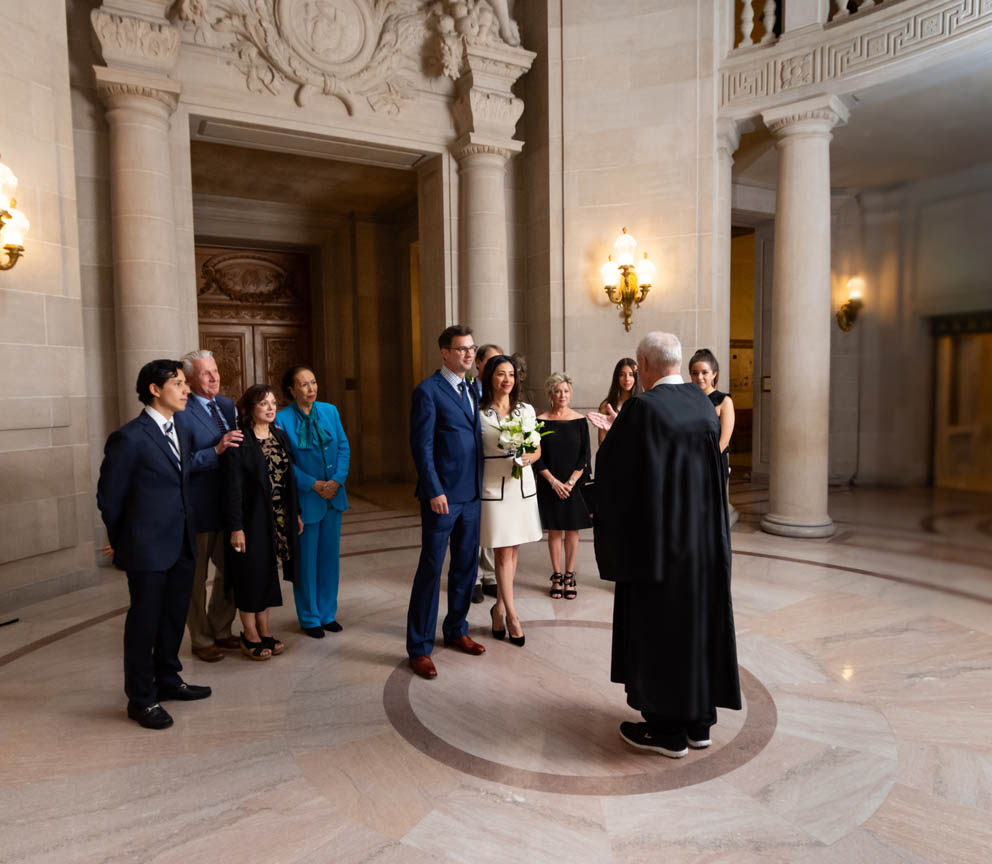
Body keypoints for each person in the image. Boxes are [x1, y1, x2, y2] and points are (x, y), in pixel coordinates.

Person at [589, 332, 741, 758]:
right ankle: (698, 723)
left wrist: (611, 440)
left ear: (644, 365)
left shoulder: (642, 406)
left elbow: (619, 472)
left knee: (662, 632)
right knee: (696, 628)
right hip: (704, 545)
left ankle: (667, 731)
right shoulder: (702, 403)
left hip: (660, 546)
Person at [96, 359, 212, 730]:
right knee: (144, 624)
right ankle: (141, 699)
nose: (186, 389)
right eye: (178, 384)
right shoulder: (129, 437)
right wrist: (124, 543)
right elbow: (109, 499)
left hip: (181, 542)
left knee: (174, 617)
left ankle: (168, 679)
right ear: (154, 389)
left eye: (184, 383)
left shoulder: (182, 427)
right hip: (146, 548)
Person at [407, 325, 487, 679]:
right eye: (461, 350)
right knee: (431, 570)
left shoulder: (475, 388)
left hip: (472, 495)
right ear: (445, 352)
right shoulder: (428, 391)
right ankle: (419, 647)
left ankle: (456, 629)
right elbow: (422, 447)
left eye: (471, 349)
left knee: (466, 567)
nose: (468, 355)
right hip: (442, 497)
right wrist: (434, 489)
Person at [174, 349, 244, 662]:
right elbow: (179, 463)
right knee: (195, 580)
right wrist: (215, 450)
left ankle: (221, 629)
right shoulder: (181, 411)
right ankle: (201, 639)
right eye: (206, 373)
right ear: (189, 379)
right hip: (198, 509)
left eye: (215, 371)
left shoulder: (228, 405)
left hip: (229, 506)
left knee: (232, 572)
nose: (214, 377)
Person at [223, 384, 303, 660]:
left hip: (278, 520)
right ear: (250, 408)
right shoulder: (239, 441)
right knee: (250, 577)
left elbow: (288, 480)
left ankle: (265, 630)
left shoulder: (280, 437)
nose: (271, 408)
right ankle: (249, 635)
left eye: (273, 403)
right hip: (250, 520)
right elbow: (232, 489)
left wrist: (297, 514)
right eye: (263, 403)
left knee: (268, 573)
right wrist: (236, 527)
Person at [276, 366, 350, 639]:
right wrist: (314, 484)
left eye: (314, 382)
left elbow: (343, 446)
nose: (311, 389)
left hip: (333, 496)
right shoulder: (282, 419)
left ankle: (328, 613)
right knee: (306, 562)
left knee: (329, 560)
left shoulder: (330, 411)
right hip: (306, 499)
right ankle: (309, 617)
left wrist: (337, 480)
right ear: (291, 390)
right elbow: (284, 462)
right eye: (304, 384)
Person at [479, 354, 543, 647]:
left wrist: (527, 457)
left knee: (513, 551)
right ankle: (513, 616)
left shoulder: (525, 410)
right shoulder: (478, 412)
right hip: (493, 487)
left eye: (511, 375)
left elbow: (537, 449)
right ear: (490, 377)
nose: (507, 380)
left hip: (522, 487)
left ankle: (499, 608)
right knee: (503, 554)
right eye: (501, 374)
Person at [534, 372, 591, 600]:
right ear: (551, 394)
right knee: (555, 530)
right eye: (557, 391)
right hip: (550, 484)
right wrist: (554, 482)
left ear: (571, 393)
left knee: (572, 530)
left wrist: (569, 482)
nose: (562, 395)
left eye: (566, 391)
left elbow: (585, 455)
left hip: (573, 484)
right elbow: (537, 457)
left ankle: (569, 574)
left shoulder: (579, 420)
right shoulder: (540, 420)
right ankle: (557, 575)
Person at [471, 342, 503, 604]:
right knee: (474, 526)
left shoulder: (502, 394)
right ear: (479, 364)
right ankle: (474, 578)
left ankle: (491, 575)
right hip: (473, 468)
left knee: (493, 522)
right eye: (492, 362)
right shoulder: (470, 391)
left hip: (495, 470)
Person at [689, 348, 735, 478]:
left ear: (714, 374)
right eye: (694, 373)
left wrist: (704, 462)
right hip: (691, 461)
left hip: (714, 461)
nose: (699, 377)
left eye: (705, 373)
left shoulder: (724, 401)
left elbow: (724, 441)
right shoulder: (688, 399)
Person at [596, 357, 641, 444]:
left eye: (631, 375)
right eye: (622, 374)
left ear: (636, 377)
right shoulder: (606, 406)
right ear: (617, 377)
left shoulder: (643, 404)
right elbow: (602, 443)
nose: (627, 379)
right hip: (613, 456)